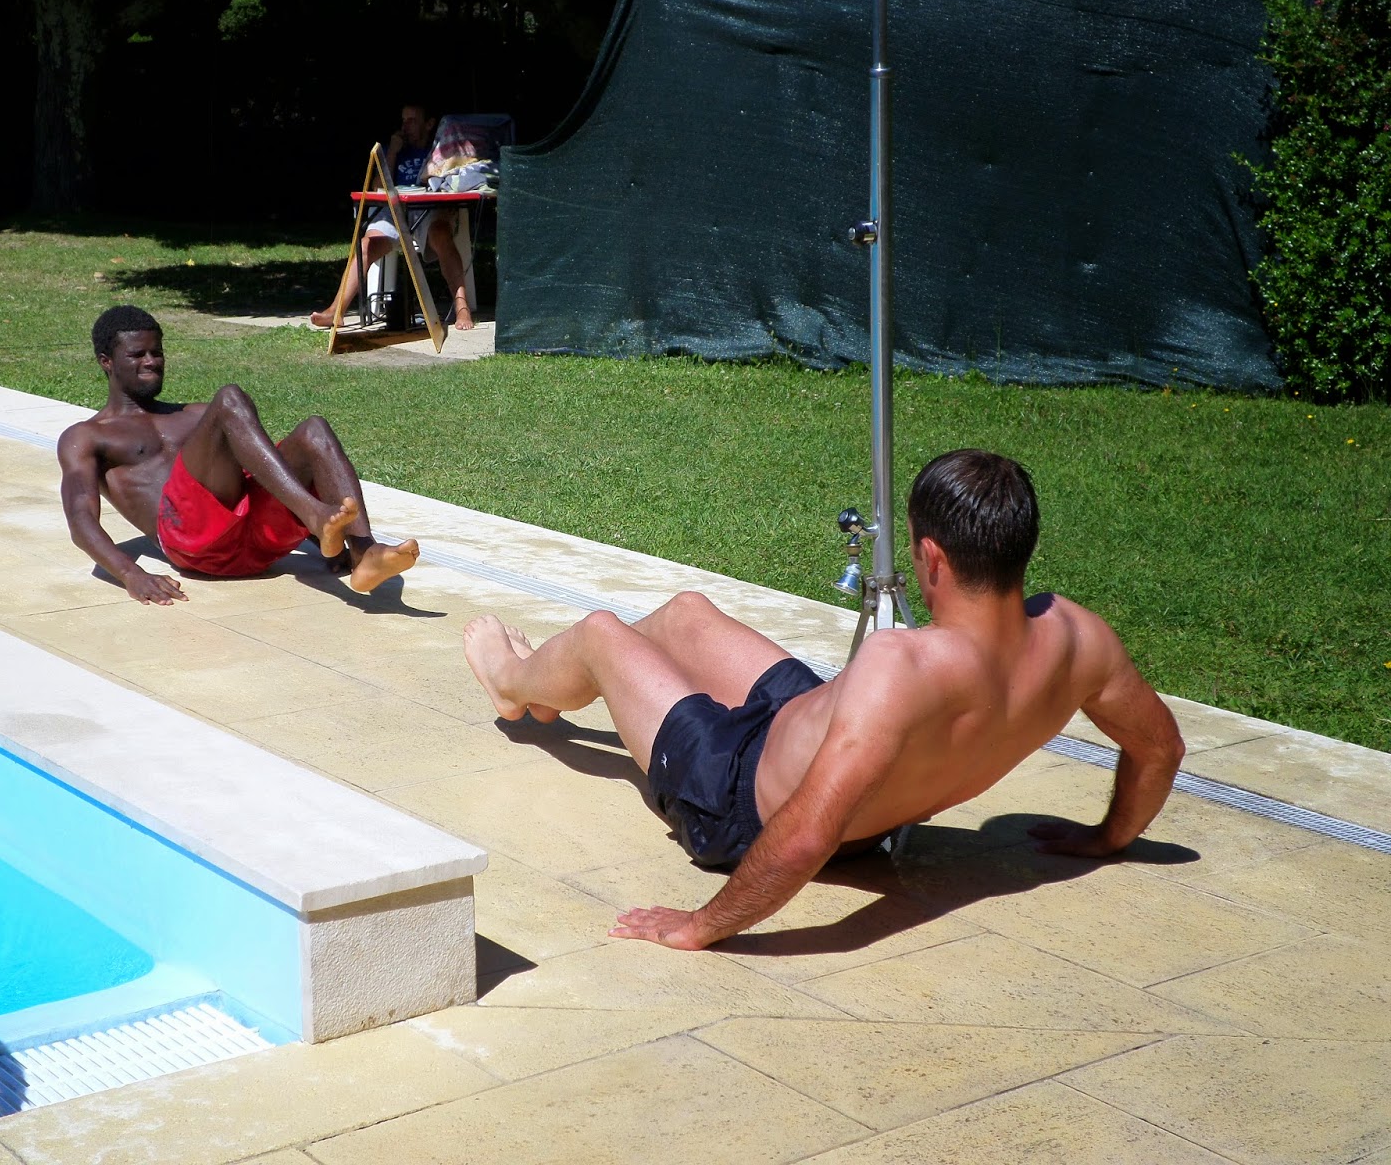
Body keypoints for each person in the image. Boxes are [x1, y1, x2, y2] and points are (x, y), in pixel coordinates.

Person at [463, 449, 1185, 951]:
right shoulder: (1079, 638)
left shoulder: (901, 665)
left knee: (600, 633)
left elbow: (807, 835)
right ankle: (568, 687)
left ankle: (516, 683)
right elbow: (1160, 748)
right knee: (685, 613)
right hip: (821, 749)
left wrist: (701, 926)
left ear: (932, 556)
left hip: (736, 800)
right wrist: (1109, 839)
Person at [58, 305, 418, 603]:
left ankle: (362, 552)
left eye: (157, 352)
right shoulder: (88, 436)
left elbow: (269, 479)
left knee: (314, 430)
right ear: (106, 361)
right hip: (193, 546)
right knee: (229, 398)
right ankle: (314, 515)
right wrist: (130, 574)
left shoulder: (196, 416)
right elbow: (80, 520)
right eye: (138, 355)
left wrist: (322, 541)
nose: (152, 361)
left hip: (255, 542)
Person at [311, 102, 476, 332]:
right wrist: (392, 153)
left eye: (412, 120)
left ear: (429, 124)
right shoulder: (394, 151)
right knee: (365, 245)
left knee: (441, 234)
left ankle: (462, 308)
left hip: (428, 210)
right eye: (403, 120)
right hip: (394, 212)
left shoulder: (439, 151)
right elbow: (378, 187)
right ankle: (336, 311)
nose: (405, 126)